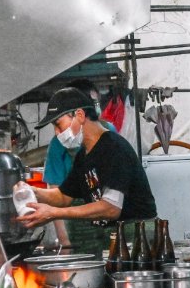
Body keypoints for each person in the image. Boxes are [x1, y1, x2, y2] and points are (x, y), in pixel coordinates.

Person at [18, 87, 156, 229]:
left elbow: (111, 208)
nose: (57, 132)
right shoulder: (83, 156)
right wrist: (31, 191)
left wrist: (55, 213)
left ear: (80, 115)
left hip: (138, 237)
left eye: (58, 124)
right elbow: (63, 196)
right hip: (114, 235)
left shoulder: (114, 148)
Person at [40, 79, 118, 250]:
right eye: (91, 102)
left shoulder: (110, 133)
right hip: (79, 228)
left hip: (111, 221)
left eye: (96, 103)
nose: (95, 108)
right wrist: (65, 242)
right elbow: (57, 195)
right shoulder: (58, 145)